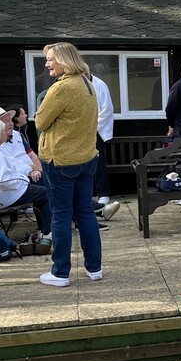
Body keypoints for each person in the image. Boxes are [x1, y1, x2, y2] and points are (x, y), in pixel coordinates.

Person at [36, 42, 102, 286]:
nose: (47, 63)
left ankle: (60, 272)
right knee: (85, 213)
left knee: (60, 216)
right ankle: (94, 268)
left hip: (61, 160)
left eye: (51, 59)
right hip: (85, 158)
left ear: (63, 60)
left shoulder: (61, 88)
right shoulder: (88, 84)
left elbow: (41, 120)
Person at [0, 117, 53, 237]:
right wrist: (23, 180)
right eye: (3, 131)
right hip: (5, 196)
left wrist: (29, 169)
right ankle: (47, 234)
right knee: (47, 193)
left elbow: (11, 166)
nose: (7, 133)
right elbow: (5, 181)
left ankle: (44, 231)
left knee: (40, 187)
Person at [90, 72, 116, 208]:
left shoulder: (100, 85)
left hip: (97, 131)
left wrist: (93, 127)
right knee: (86, 164)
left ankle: (103, 194)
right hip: (83, 132)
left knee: (99, 163)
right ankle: (91, 194)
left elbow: (107, 109)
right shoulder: (79, 85)